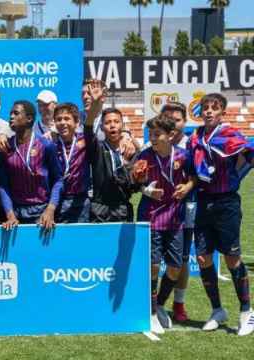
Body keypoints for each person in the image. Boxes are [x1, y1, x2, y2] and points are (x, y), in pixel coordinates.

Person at [187, 93, 254, 336]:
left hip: (227, 202)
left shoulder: (229, 134)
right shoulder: (195, 137)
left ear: (222, 112)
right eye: (205, 108)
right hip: (203, 201)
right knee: (204, 258)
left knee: (232, 258)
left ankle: (247, 311)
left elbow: (249, 153)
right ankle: (217, 310)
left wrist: (237, 173)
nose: (208, 112)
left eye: (214, 108)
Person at [132, 114, 195, 334]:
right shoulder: (145, 156)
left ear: (170, 135)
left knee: (176, 268)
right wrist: (147, 189)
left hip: (175, 218)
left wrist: (187, 188)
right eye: (150, 134)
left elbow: (195, 178)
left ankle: (159, 305)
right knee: (153, 266)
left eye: (157, 134)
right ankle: (150, 314)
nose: (153, 138)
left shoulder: (184, 156)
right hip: (150, 216)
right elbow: (135, 183)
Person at [0, 100, 63, 230]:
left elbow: (58, 180)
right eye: (10, 113)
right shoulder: (5, 147)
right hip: (15, 213)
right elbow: (3, 185)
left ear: (29, 118)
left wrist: (50, 209)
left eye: (16, 113)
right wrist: (9, 214)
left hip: (42, 212)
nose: (11, 117)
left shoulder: (46, 145)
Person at [160, 102, 195, 322]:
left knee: (181, 260)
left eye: (177, 120)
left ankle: (179, 303)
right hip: (157, 212)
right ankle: (153, 302)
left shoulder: (193, 145)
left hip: (186, 210)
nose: (173, 124)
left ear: (184, 122)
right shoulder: (153, 141)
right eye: (168, 120)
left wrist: (189, 186)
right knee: (152, 261)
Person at [84, 80, 138, 222]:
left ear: (123, 125)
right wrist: (95, 106)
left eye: (116, 122)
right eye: (107, 123)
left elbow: (135, 184)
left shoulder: (130, 150)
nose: (112, 125)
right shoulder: (97, 148)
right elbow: (88, 130)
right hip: (99, 208)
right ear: (101, 127)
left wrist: (127, 165)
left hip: (123, 207)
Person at [53, 103, 91, 223]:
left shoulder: (86, 141)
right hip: (58, 200)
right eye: (59, 119)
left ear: (77, 122)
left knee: (81, 238)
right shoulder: (50, 144)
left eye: (67, 118)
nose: (63, 122)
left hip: (81, 200)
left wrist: (126, 136)